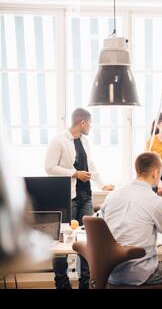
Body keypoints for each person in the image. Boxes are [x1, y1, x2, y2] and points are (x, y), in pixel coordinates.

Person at [100, 152, 162, 289]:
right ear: (155, 173)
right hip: (140, 272)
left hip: (111, 272)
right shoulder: (155, 201)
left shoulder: (112, 196)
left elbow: (101, 226)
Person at [45, 108, 114, 289]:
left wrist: (102, 184)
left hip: (86, 197)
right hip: (68, 197)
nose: (91, 126)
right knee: (61, 241)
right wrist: (74, 173)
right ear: (82, 122)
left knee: (87, 240)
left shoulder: (85, 141)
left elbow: (91, 165)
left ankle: (86, 282)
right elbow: (49, 167)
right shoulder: (58, 140)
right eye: (90, 123)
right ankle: (62, 283)